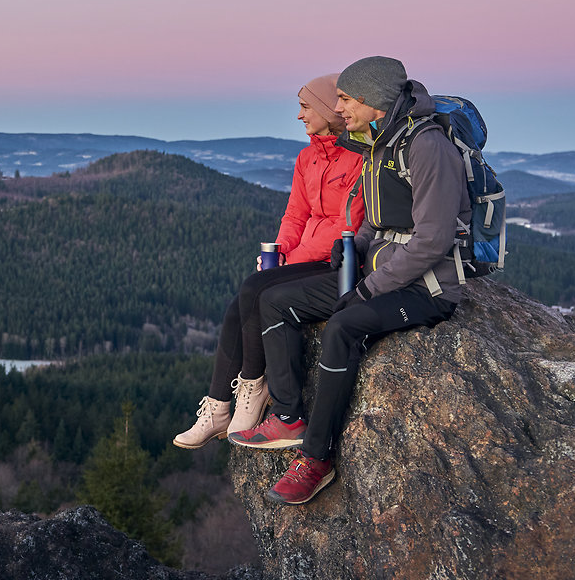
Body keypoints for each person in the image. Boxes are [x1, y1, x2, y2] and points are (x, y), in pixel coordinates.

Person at [229, 56, 471, 505]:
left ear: (371, 98)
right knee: (276, 300)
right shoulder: (382, 142)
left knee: (343, 326)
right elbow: (374, 222)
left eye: (343, 98)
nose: (338, 109)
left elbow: (434, 239)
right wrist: (350, 262)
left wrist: (365, 289)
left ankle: (316, 458)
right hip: (377, 272)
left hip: (426, 288)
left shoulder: (427, 146)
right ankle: (288, 416)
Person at [172, 74, 365, 449]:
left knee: (255, 291)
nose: (299, 115)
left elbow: (348, 223)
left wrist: (291, 259)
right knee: (242, 299)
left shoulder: (359, 159)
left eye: (306, 107)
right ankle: (218, 407)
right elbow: (295, 214)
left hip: (337, 260)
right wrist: (279, 253)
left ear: (328, 110)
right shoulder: (307, 157)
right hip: (303, 256)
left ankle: (254, 387)